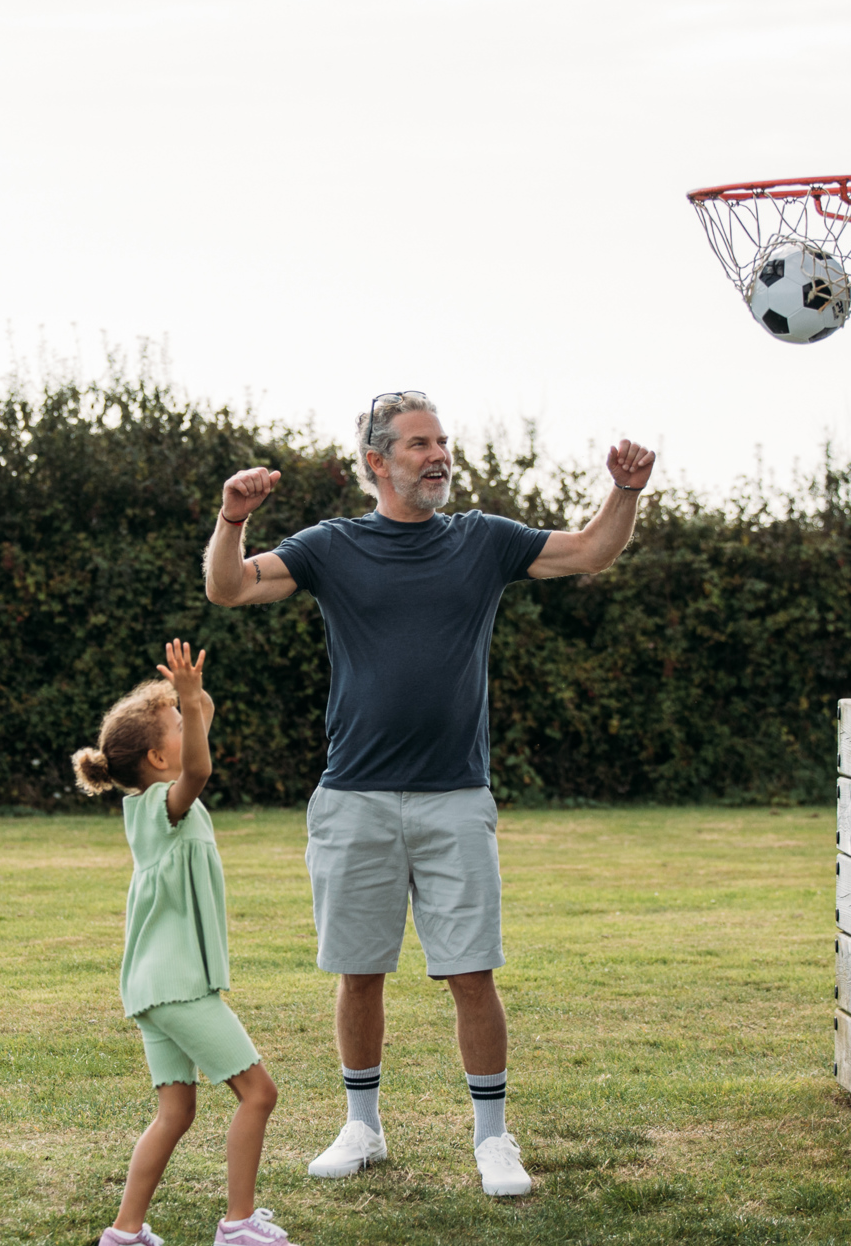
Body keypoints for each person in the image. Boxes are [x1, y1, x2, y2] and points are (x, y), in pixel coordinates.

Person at [200, 391, 656, 1197]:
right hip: (354, 798)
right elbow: (229, 589)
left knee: (472, 972)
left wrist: (623, 493)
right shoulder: (331, 547)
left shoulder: (482, 541)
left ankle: (492, 1140)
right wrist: (232, 518)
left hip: (455, 797)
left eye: (442, 442)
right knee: (359, 971)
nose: (437, 455)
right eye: (417, 444)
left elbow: (588, 553)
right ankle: (362, 1127)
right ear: (377, 462)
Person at [73, 640, 292, 1246]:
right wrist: (186, 706)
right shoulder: (166, 804)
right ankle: (239, 1226)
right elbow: (199, 767)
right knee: (258, 1093)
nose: (191, 723)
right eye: (177, 723)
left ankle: (124, 1233)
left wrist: (190, 699)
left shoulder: (145, 803)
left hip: (151, 987)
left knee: (176, 1112)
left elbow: (204, 723)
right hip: (177, 987)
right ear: (157, 755)